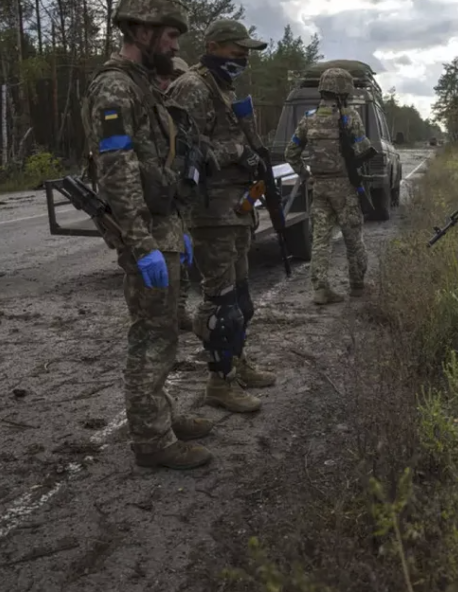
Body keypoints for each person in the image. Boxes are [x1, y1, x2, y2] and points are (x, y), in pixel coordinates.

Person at [81, 0, 213, 470]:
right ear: (139, 30)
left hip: (162, 227)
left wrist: (176, 228)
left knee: (164, 336)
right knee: (151, 338)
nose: (176, 45)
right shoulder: (116, 86)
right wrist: (142, 246)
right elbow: (118, 171)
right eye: (169, 35)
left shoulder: (142, 87)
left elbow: (157, 166)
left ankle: (162, 415)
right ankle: (152, 441)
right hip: (145, 235)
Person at [167, 18, 275, 414]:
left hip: (236, 209)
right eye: (237, 49)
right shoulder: (193, 87)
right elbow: (180, 149)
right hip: (211, 211)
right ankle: (219, 381)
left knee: (241, 301)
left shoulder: (223, 87)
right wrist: (235, 153)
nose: (244, 56)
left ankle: (236, 363)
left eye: (247, 50)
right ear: (213, 45)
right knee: (221, 303)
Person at [284, 67, 374, 305]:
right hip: (344, 187)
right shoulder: (349, 117)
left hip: (320, 188)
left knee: (320, 239)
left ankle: (320, 289)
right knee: (353, 237)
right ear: (344, 90)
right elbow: (365, 149)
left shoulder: (308, 118)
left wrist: (306, 175)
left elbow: (291, 153)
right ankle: (357, 285)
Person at [155, 55, 195, 333]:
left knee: (183, 263)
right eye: (167, 78)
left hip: (179, 201)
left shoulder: (178, 117)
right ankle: (167, 315)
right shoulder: (151, 114)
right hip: (159, 202)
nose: (170, 84)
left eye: (175, 79)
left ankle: (179, 310)